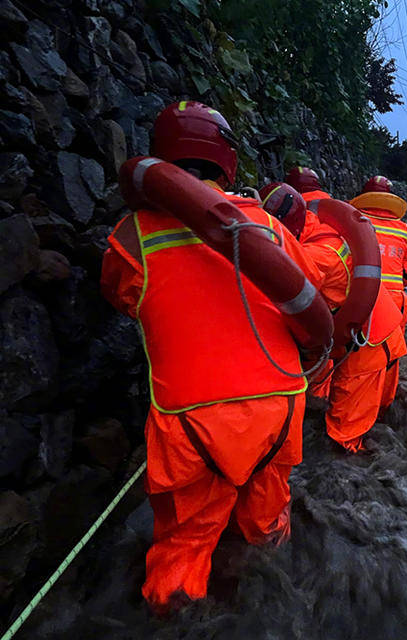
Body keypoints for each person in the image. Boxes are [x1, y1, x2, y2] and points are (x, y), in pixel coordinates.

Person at [100, 101, 329, 612]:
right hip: (280, 405)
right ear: (226, 159)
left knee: (185, 547)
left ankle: (180, 615)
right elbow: (308, 298)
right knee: (267, 519)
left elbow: (120, 295)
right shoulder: (268, 226)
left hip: (192, 421)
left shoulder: (130, 236)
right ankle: (275, 601)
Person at [282, 169, 407, 452]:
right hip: (384, 323)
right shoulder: (330, 223)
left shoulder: (316, 253)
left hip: (368, 342)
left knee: (345, 438)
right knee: (375, 415)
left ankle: (358, 480)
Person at [350, 176, 407, 409]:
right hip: (396, 304)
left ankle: (355, 410)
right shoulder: (403, 230)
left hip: (359, 300)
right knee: (390, 356)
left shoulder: (353, 223)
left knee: (356, 360)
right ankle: (385, 405)